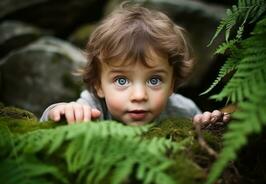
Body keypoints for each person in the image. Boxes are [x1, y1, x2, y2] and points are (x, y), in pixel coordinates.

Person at [40, 3, 230, 127]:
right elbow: (45, 129)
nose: (139, 96)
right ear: (98, 85)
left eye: (154, 80)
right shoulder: (93, 109)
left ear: (172, 83)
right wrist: (62, 112)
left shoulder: (183, 111)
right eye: (121, 80)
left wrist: (206, 128)